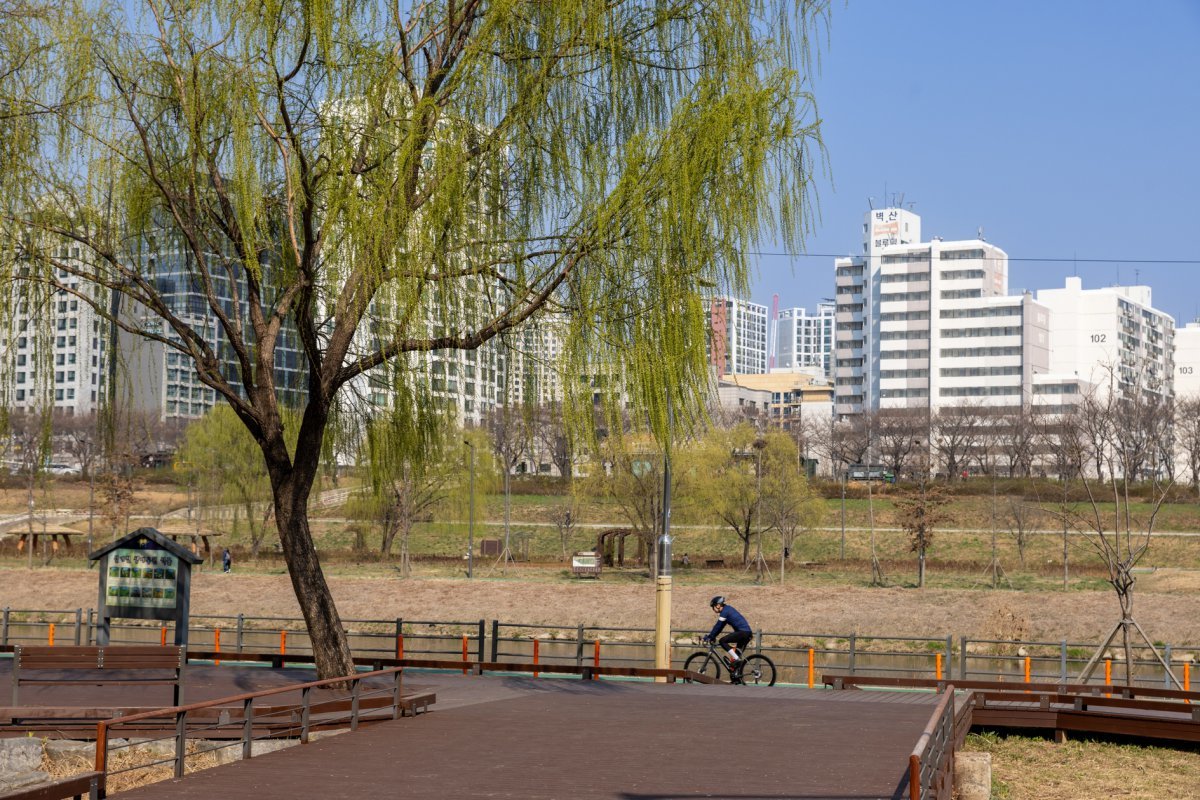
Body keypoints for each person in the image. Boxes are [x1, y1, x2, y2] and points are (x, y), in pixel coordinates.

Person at [704, 595, 752, 679]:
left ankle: (737, 659)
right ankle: (736, 678)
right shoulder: (727, 610)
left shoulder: (725, 612)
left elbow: (718, 625)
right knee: (735, 659)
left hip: (743, 632)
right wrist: (713, 636)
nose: (713, 609)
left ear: (718, 605)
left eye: (713, 607)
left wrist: (710, 636)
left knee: (722, 641)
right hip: (746, 633)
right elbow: (720, 627)